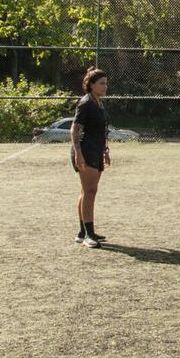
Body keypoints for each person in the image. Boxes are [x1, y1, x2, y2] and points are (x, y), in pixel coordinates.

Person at [70, 66, 111, 248]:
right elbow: (75, 129)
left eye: (106, 84)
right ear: (91, 85)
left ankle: (83, 232)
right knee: (90, 191)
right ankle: (88, 235)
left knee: (86, 191)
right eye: (101, 84)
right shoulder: (86, 103)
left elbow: (101, 129)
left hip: (96, 150)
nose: (105, 87)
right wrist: (78, 153)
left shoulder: (99, 103)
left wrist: (105, 150)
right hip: (85, 150)